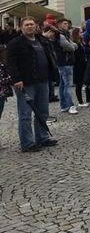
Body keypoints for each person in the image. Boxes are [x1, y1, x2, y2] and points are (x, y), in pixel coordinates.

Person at [5, 16, 59, 152]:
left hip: (43, 81)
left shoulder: (42, 40)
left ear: (36, 26)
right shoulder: (15, 43)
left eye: (32, 24)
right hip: (25, 83)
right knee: (25, 114)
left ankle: (42, 137)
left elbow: (51, 56)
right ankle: (27, 143)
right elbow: (10, 64)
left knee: (43, 112)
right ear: (22, 27)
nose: (30, 27)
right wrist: (16, 79)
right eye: (27, 25)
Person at [54, 19, 78, 115]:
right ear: (59, 25)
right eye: (64, 23)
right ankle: (71, 105)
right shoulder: (61, 35)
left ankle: (64, 105)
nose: (67, 25)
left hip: (62, 62)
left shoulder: (65, 34)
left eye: (67, 23)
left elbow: (72, 45)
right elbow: (71, 47)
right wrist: (72, 46)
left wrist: (72, 45)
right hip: (65, 62)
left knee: (62, 85)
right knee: (67, 85)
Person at [71, 27, 90, 107]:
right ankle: (80, 102)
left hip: (84, 65)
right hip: (78, 67)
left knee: (87, 83)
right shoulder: (75, 44)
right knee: (79, 85)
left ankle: (88, 100)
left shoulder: (82, 43)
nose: (82, 34)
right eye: (80, 32)